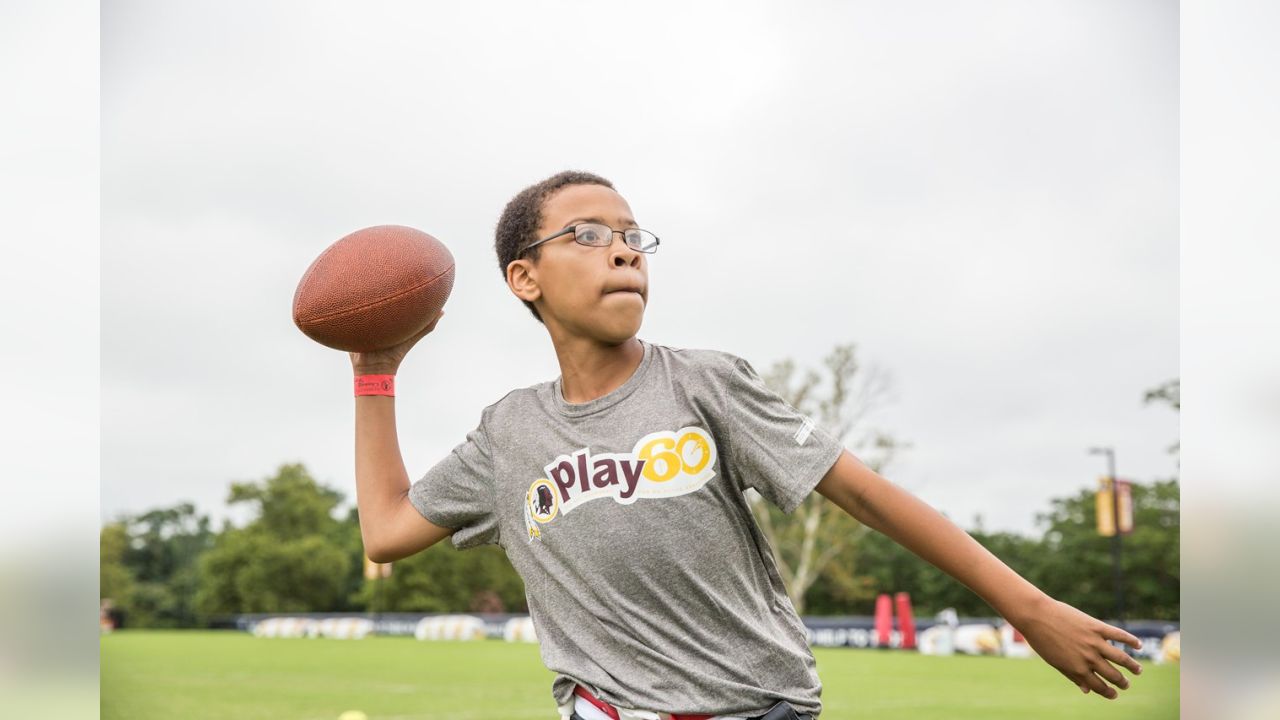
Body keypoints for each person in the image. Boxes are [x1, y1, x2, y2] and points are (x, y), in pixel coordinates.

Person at [349, 170, 1144, 720]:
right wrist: (376, 373)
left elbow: (865, 492)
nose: (624, 249)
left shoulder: (704, 384)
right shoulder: (509, 433)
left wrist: (1029, 609)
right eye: (588, 234)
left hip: (758, 708)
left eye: (633, 236)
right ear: (525, 278)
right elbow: (385, 529)